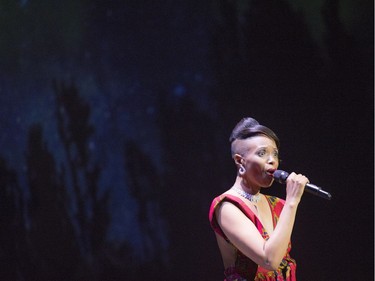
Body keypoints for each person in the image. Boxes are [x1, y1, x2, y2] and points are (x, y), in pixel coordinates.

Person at [209, 117, 309, 281]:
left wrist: (289, 203)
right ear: (240, 161)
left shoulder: (278, 205)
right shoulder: (227, 206)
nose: (272, 160)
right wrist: (292, 201)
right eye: (262, 153)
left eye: (275, 154)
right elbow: (269, 260)